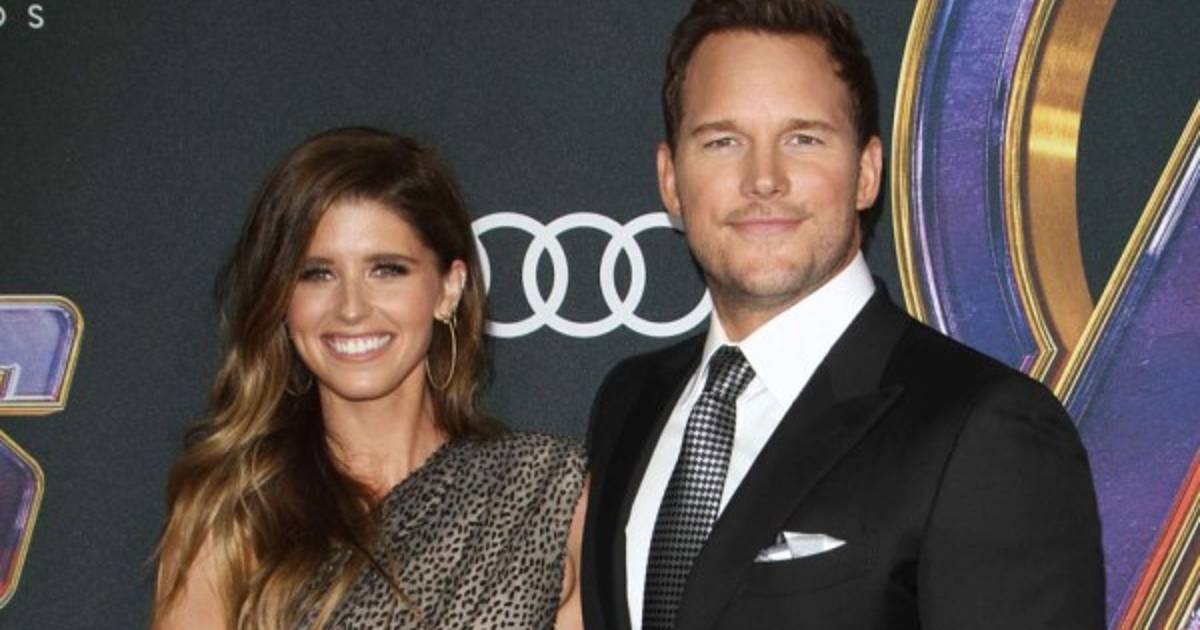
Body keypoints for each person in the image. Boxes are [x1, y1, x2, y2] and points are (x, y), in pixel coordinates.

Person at [581, 1, 1105, 629]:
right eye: (723, 141)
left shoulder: (983, 429)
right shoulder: (630, 402)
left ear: (866, 173)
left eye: (803, 139)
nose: (764, 179)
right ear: (671, 179)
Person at [153, 127, 586, 629]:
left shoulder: (547, 490)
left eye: (386, 270)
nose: (351, 309)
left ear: (449, 288)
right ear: (281, 300)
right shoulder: (235, 515)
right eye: (317, 273)